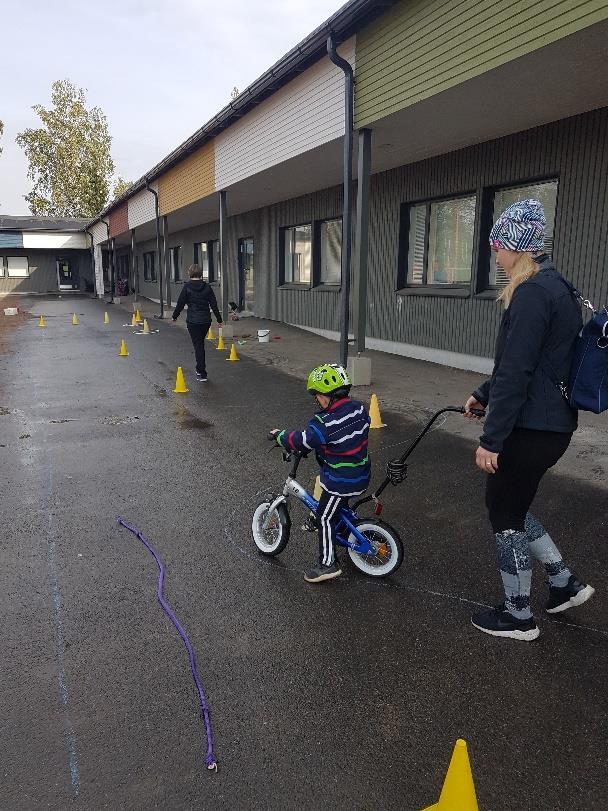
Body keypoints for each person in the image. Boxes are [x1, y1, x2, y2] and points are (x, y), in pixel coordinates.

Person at [464, 199, 595, 641]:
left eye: (498, 247)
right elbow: (536, 362)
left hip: (531, 427)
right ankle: (564, 584)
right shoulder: (557, 287)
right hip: (550, 423)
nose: (495, 256)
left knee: (503, 511)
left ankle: (518, 615)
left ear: (517, 248)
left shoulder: (533, 293)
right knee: (514, 507)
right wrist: (484, 394)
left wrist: (491, 439)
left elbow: (518, 371)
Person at [269, 364, 371, 583]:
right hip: (361, 474)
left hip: (342, 481)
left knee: (324, 516)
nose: (317, 400)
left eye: (317, 396)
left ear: (327, 396)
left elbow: (302, 440)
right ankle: (344, 529)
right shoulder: (359, 409)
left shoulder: (323, 422)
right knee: (334, 505)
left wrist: (280, 436)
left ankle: (327, 564)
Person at [172, 264, 223, 382]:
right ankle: (200, 370)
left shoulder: (187, 287)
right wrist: (219, 320)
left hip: (193, 321)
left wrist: (175, 316)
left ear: (189, 273)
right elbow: (214, 305)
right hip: (205, 321)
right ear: (200, 273)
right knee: (200, 344)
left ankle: (201, 372)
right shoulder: (207, 287)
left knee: (198, 345)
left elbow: (180, 303)